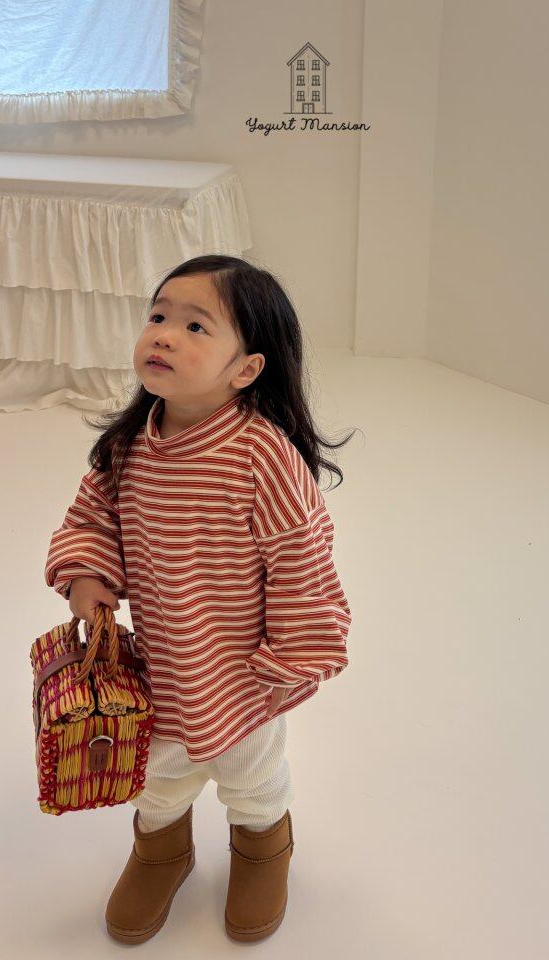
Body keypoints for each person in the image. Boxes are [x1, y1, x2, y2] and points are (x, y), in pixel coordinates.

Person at [44, 254, 355, 944]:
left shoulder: (262, 457)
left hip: (245, 674)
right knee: (158, 776)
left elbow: (302, 559)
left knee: (252, 776)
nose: (163, 334)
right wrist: (88, 578)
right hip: (160, 666)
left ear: (246, 368)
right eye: (158, 316)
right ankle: (162, 851)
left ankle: (263, 849)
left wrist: (291, 658)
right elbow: (92, 521)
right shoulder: (130, 446)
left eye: (194, 326)